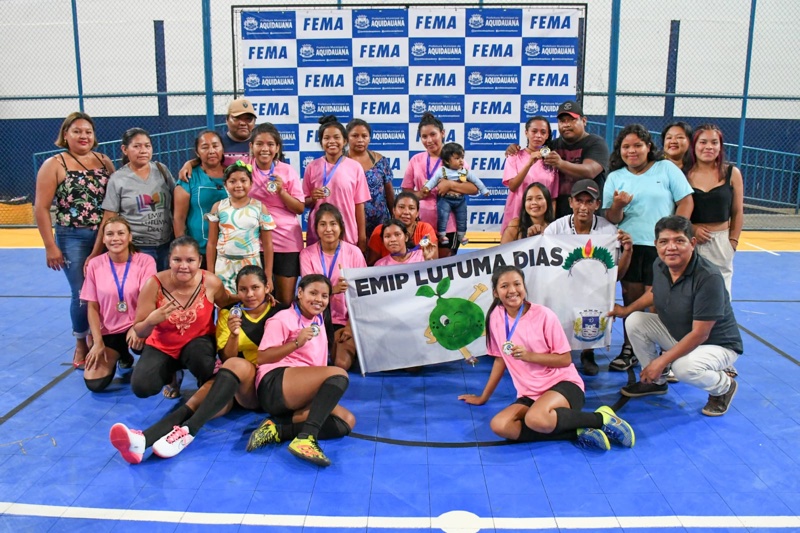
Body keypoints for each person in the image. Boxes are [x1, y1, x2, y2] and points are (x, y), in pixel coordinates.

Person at [109, 266, 287, 463]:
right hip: (234, 381)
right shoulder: (230, 314)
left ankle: (188, 432)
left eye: (256, 288)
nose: (250, 294)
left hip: (264, 386)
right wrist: (234, 335)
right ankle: (143, 440)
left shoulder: (281, 312)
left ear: (267, 287)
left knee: (236, 366)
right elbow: (227, 358)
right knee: (193, 403)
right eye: (243, 289)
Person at [458, 266, 634, 450]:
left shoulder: (544, 315)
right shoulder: (495, 317)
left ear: (524, 287)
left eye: (517, 284)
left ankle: (601, 418)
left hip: (563, 386)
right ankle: (577, 431)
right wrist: (482, 398)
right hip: (530, 394)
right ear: (495, 292)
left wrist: (529, 356)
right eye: (504, 286)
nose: (512, 290)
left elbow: (565, 359)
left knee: (536, 419)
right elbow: (500, 359)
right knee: (500, 425)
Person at [609, 216, 742, 416]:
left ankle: (724, 387)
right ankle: (656, 382)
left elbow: (700, 334)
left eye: (679, 241)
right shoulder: (660, 265)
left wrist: (660, 362)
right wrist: (626, 310)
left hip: (717, 344)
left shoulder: (708, 277)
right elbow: (655, 293)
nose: (671, 247)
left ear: (692, 243)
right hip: (682, 334)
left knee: (683, 368)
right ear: (656, 245)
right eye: (664, 242)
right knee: (635, 320)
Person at [602, 124, 694, 372]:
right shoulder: (615, 177)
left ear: (648, 146)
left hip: (661, 248)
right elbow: (611, 217)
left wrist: (676, 234)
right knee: (632, 299)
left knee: (659, 301)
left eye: (637, 145)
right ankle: (631, 348)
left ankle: (666, 353)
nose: (632, 151)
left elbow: (685, 201)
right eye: (626, 147)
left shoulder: (666, 169)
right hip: (630, 246)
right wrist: (618, 205)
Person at [246, 274, 357, 467]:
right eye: (313, 293)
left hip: (299, 389)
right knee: (339, 374)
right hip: (274, 383)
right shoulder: (282, 318)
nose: (318, 300)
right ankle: (306, 438)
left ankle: (276, 431)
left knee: (346, 422)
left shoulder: (319, 318)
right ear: (299, 292)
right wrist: (296, 343)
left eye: (324, 296)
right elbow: (262, 357)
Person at [34, 112, 115, 369]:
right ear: (65, 135)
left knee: (106, 292)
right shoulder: (55, 164)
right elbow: (41, 207)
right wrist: (50, 245)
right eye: (77, 131)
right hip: (73, 236)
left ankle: (102, 338)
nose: (84, 136)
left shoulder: (104, 161)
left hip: (105, 235)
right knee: (82, 293)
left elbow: (115, 197)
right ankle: (81, 340)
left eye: (88, 131)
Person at [544, 179, 633, 376]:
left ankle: (588, 351)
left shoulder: (608, 231)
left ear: (597, 205)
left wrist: (627, 251)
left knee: (593, 302)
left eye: (589, 201)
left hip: (592, 287)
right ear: (571, 203)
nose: (583, 206)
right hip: (562, 283)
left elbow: (617, 276)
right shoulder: (556, 229)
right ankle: (558, 351)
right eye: (579, 201)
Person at [130, 236, 231, 399]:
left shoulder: (211, 282)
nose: (184, 266)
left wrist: (251, 296)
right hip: (162, 345)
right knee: (142, 386)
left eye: (190, 260)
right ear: (169, 260)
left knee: (204, 364)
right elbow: (140, 331)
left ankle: (203, 387)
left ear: (199, 261)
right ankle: (172, 377)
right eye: (177, 260)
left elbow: (226, 303)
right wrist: (151, 320)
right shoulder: (154, 284)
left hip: (198, 343)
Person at [80, 217, 156, 391]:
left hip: (138, 328)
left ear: (129, 237)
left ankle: (148, 358)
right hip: (110, 331)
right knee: (94, 382)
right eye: (110, 234)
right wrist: (97, 342)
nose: (115, 238)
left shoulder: (145, 261)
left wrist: (138, 326)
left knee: (146, 380)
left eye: (121, 233)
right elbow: (92, 306)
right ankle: (122, 354)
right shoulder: (94, 264)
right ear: (104, 239)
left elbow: (149, 298)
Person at [508, 101, 609, 219]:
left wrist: (560, 163)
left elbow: (590, 171)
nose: (566, 125)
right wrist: (513, 149)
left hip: (588, 214)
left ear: (584, 121)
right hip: (558, 216)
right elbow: (531, 150)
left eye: (572, 120)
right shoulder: (551, 146)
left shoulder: (596, 143)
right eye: (562, 121)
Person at [94, 128, 175, 270]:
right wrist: (95, 254)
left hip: (166, 246)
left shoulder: (162, 170)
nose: (143, 150)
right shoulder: (117, 179)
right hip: (137, 248)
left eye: (147, 146)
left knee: (165, 290)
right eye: (137, 146)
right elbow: (109, 218)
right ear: (125, 149)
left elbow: (178, 202)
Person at [300, 204, 367, 370]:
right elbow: (308, 293)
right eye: (322, 224)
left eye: (333, 224)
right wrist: (332, 290)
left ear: (341, 227)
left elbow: (363, 295)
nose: (328, 229)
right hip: (316, 319)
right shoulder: (307, 254)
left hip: (345, 320)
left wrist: (350, 326)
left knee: (341, 364)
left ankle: (357, 343)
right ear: (316, 228)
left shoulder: (354, 252)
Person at [402, 112, 478, 257]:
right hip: (421, 224)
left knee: (444, 269)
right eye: (424, 137)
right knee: (422, 268)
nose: (429, 140)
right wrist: (420, 194)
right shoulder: (416, 160)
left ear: (442, 133)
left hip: (449, 225)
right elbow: (406, 192)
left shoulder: (455, 159)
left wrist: (449, 185)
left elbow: (473, 188)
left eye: (433, 134)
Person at [248, 123, 305, 306]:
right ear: (251, 147)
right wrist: (190, 163)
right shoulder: (243, 167)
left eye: (270, 144)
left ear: (277, 148)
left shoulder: (287, 171)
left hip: (285, 241)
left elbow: (300, 208)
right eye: (259, 144)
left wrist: (282, 191)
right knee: (256, 300)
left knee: (284, 301)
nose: (265, 149)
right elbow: (212, 160)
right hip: (252, 241)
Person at [687, 124, 743, 296]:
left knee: (720, 295)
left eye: (714, 142)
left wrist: (732, 242)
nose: (709, 147)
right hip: (689, 241)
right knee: (689, 292)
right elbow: (675, 209)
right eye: (703, 142)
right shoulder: (683, 174)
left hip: (720, 243)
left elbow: (738, 212)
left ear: (720, 146)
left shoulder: (732, 173)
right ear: (694, 146)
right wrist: (692, 228)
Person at [206, 161, 276, 294]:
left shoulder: (260, 208)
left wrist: (268, 275)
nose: (238, 185)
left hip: (251, 266)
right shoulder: (218, 207)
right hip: (223, 266)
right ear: (225, 184)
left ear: (251, 183)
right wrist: (210, 274)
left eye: (243, 180)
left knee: (251, 303)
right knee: (225, 308)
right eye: (233, 181)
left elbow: (268, 245)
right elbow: (211, 243)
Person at [303, 115, 371, 252]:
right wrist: (312, 198)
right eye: (326, 138)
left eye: (336, 137)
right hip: (319, 234)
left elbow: (359, 205)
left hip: (347, 233)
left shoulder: (355, 167)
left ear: (345, 141)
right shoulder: (312, 167)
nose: (332, 141)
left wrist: (362, 237)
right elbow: (304, 202)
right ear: (321, 142)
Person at [172, 130, 228, 266]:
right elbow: (179, 219)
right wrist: (184, 251)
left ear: (222, 149)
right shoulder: (188, 178)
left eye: (215, 146)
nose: (211, 151)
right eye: (205, 147)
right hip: (198, 251)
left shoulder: (234, 174)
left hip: (230, 250)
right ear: (197, 152)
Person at [422, 142, 490, 246]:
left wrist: (484, 190)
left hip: (460, 200)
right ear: (447, 161)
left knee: (462, 218)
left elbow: (477, 182)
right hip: (445, 199)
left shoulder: (464, 172)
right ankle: (442, 235)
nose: (461, 161)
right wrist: (427, 188)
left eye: (462, 157)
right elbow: (433, 180)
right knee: (443, 217)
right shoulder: (442, 171)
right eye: (457, 158)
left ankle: (461, 236)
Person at [502, 116, 558, 234]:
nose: (538, 135)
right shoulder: (514, 156)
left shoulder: (552, 162)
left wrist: (549, 224)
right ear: (526, 133)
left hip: (541, 220)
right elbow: (513, 186)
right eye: (534, 131)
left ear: (547, 135)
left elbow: (552, 198)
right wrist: (529, 163)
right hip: (516, 216)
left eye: (543, 132)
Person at [176, 98, 257, 178]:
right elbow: (203, 160)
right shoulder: (217, 144)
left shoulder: (259, 144)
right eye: (237, 118)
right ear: (227, 120)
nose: (243, 123)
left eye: (248, 119)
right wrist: (189, 164)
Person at [346, 118, 395, 238]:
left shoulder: (380, 160)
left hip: (380, 222)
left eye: (364, 136)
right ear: (346, 138)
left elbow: (389, 191)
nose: (360, 140)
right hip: (351, 222)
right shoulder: (340, 162)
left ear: (369, 138)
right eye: (355, 136)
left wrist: (394, 216)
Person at [366, 192, 438, 265]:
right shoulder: (380, 231)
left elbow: (434, 264)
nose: (406, 212)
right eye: (401, 207)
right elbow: (372, 266)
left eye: (411, 208)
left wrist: (428, 259)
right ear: (393, 210)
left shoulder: (425, 229)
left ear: (417, 213)